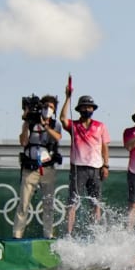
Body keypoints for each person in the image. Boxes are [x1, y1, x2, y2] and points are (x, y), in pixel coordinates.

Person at [59, 86, 109, 234]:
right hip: (78, 168)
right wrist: (68, 97)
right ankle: (69, 234)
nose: (87, 109)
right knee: (72, 202)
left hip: (96, 168)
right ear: (79, 109)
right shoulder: (74, 126)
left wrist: (106, 165)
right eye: (84, 107)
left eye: (90, 107)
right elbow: (62, 119)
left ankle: (96, 233)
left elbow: (104, 147)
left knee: (96, 203)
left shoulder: (100, 126)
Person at [13, 94, 63, 239]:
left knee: (48, 203)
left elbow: (57, 137)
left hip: (47, 167)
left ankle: (48, 234)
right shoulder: (31, 123)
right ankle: (17, 234)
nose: (48, 109)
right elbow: (23, 142)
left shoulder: (55, 124)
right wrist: (25, 124)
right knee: (24, 202)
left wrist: (46, 126)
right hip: (30, 167)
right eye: (45, 106)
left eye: (51, 107)